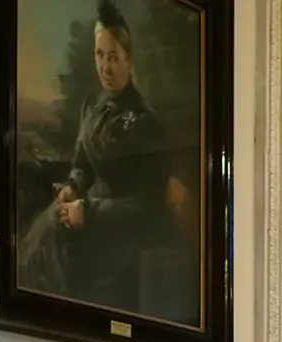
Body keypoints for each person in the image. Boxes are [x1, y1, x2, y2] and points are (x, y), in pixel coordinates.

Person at [17, 1, 171, 315]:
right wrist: (72, 187)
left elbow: (147, 201)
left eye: (114, 57)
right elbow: (81, 166)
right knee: (43, 229)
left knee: (58, 239)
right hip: (87, 213)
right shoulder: (92, 106)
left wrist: (88, 211)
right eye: (100, 55)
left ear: (129, 62)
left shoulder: (145, 120)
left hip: (126, 228)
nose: (105, 67)